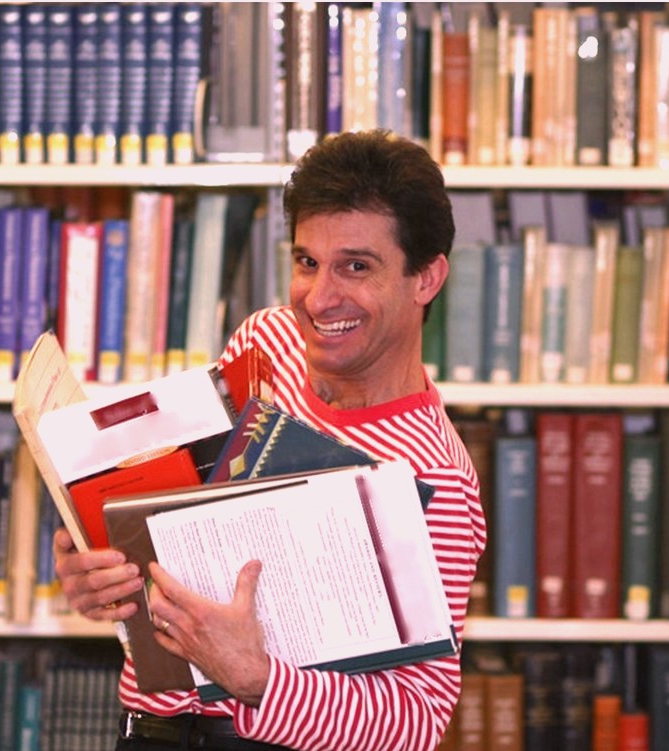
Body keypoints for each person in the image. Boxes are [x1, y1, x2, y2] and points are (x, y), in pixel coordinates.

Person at [53, 129, 487, 751]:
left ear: (426, 279)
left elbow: (415, 720)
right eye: (307, 262)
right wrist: (106, 577)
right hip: (149, 734)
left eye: (355, 267)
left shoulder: (436, 475)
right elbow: (185, 537)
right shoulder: (266, 345)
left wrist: (257, 679)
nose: (318, 297)